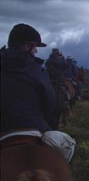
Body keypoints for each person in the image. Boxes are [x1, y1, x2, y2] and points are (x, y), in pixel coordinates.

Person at [0, 23, 75, 163]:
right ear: (25, 46)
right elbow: (50, 101)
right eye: (34, 47)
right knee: (64, 152)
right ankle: (66, 105)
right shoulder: (36, 69)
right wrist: (49, 127)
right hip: (34, 125)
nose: (35, 51)